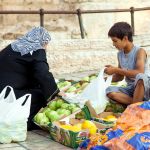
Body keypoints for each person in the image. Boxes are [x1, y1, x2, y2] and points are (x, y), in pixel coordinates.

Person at [0, 27, 63, 130]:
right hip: (8, 95)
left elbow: (21, 70)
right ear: (43, 41)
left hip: (3, 92)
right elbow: (42, 73)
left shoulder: (13, 47)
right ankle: (28, 122)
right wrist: (55, 92)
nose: (46, 47)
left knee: (39, 89)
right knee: (42, 95)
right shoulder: (36, 49)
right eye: (46, 44)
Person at [104, 22, 150, 105]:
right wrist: (103, 79)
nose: (113, 44)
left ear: (125, 38)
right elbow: (119, 77)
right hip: (131, 89)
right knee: (109, 90)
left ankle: (135, 106)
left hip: (145, 87)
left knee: (140, 76)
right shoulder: (120, 54)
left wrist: (115, 69)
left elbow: (139, 72)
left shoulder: (140, 51)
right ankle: (138, 104)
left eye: (115, 41)